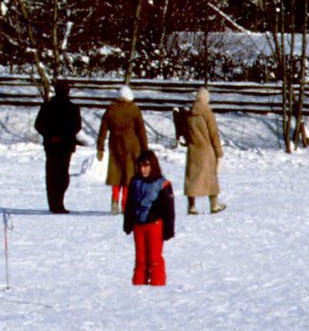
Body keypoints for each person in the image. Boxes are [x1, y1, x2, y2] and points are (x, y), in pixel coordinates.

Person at [122, 149, 175, 286]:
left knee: (154, 259)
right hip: (139, 225)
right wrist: (128, 223)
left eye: (146, 166)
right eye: (140, 166)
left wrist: (168, 229)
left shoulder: (163, 184)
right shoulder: (135, 182)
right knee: (140, 259)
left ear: (153, 166)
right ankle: (138, 286)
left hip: (155, 225)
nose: (143, 169)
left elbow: (169, 209)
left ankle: (157, 287)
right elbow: (129, 205)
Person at [96, 85, 148, 214]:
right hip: (132, 146)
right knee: (128, 176)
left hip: (115, 145)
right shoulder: (134, 110)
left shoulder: (111, 110)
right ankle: (125, 204)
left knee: (116, 174)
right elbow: (141, 131)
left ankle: (114, 200)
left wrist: (100, 147)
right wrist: (145, 149)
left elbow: (102, 130)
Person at [33, 80, 82, 213]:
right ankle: (57, 203)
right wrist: (59, 137)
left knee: (53, 174)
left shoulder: (50, 106)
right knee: (61, 175)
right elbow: (76, 127)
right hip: (62, 145)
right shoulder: (71, 108)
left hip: (54, 145)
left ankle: (55, 203)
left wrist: (51, 136)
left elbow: (39, 125)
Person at [177, 86, 226, 214]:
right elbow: (214, 134)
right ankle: (214, 205)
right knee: (211, 178)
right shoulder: (208, 114)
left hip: (193, 151)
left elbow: (184, 132)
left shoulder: (189, 115)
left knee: (191, 179)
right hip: (207, 151)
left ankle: (191, 206)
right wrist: (219, 151)